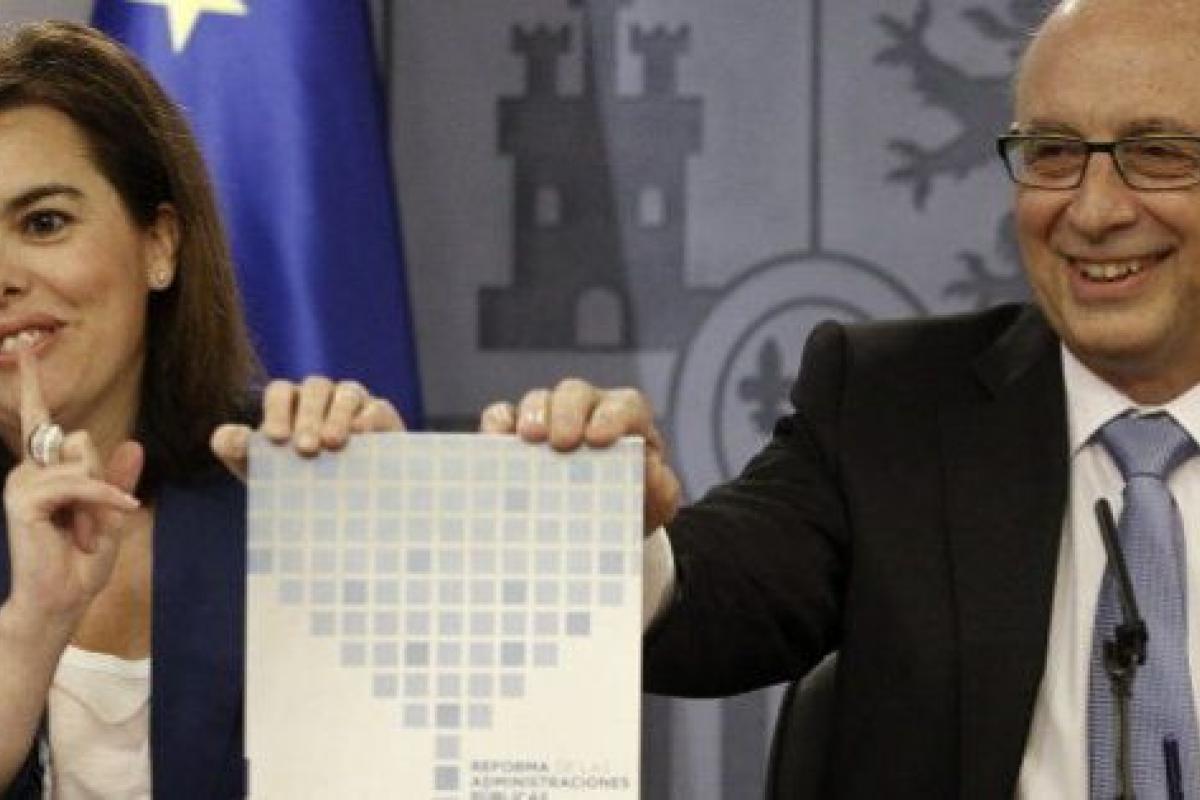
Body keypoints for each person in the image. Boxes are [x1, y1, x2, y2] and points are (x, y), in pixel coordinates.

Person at [483, 0, 1200, 796]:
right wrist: (606, 532)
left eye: (1158, 153)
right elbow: (726, 589)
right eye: (1054, 153)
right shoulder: (890, 405)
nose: (1093, 210)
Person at [0, 21, 405, 798]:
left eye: (44, 223)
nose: (4, 275)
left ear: (159, 245)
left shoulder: (283, 488)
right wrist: (30, 630)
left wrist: (400, 548)